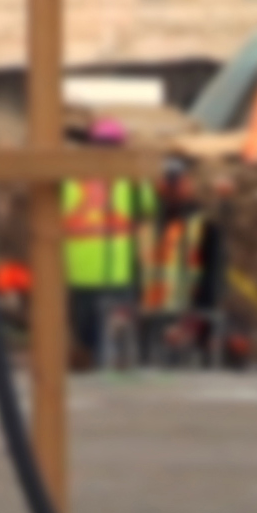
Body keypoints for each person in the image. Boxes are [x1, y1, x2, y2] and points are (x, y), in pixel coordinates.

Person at [58, 117, 154, 369]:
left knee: (92, 328)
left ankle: (97, 363)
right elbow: (147, 208)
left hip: (87, 270)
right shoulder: (129, 180)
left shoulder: (72, 178)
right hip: (108, 271)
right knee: (109, 328)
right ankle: (104, 365)